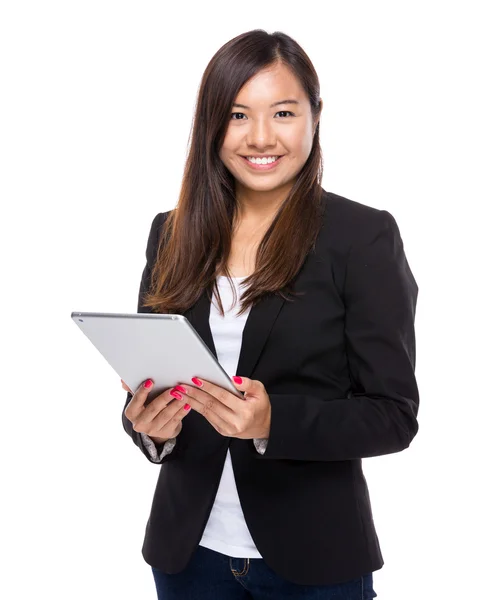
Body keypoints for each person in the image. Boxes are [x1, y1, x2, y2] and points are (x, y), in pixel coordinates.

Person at [121, 29, 419, 600]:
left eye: (283, 112)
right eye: (237, 115)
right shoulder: (172, 232)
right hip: (188, 557)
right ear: (212, 125)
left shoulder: (361, 238)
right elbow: (151, 386)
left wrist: (269, 422)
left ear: (314, 116)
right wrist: (149, 429)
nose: (261, 137)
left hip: (315, 559)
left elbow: (394, 415)